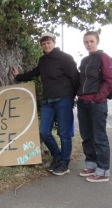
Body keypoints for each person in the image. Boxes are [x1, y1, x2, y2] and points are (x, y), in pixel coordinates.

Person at [12, 32, 80, 176]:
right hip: (48, 101)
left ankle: (64, 163)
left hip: (64, 99)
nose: (46, 45)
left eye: (48, 42)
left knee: (64, 133)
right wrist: (18, 76)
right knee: (44, 132)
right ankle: (57, 157)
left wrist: (71, 97)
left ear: (54, 43)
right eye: (43, 44)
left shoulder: (65, 58)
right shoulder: (43, 60)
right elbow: (34, 73)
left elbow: (75, 78)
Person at [76, 31, 112, 182]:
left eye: (91, 41)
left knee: (99, 137)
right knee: (87, 136)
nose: (89, 44)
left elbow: (110, 80)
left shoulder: (104, 58)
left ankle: (103, 171)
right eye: (86, 42)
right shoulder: (85, 60)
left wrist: (97, 98)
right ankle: (91, 165)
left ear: (97, 42)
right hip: (83, 103)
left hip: (97, 104)